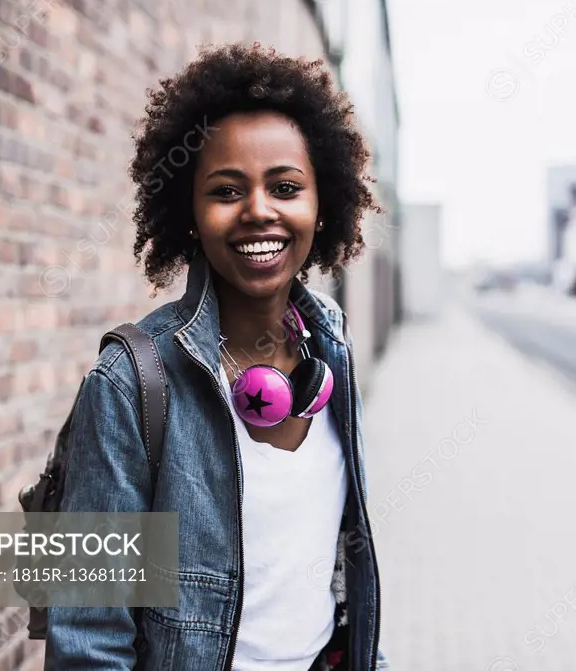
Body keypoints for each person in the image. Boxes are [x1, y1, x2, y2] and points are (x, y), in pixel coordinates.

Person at [44, 43, 389, 671]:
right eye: (227, 190)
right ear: (191, 213)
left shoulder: (332, 359)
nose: (259, 210)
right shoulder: (129, 384)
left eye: (285, 187)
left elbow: (348, 585)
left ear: (322, 203)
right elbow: (89, 638)